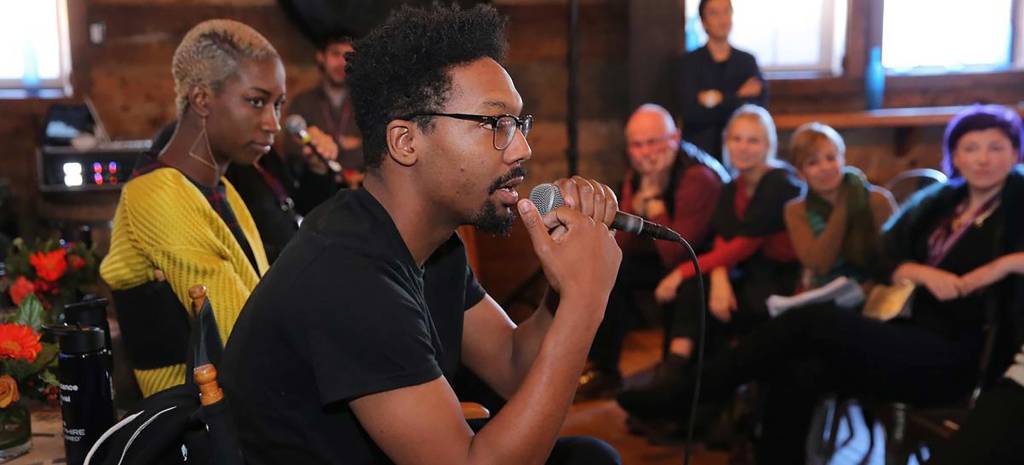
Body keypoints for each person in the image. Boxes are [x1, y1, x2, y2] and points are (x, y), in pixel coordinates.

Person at [221, 4, 623, 465]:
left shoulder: (432, 246)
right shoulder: (347, 275)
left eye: (519, 124)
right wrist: (584, 302)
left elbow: (514, 366)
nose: (523, 148)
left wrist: (566, 284)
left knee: (588, 458)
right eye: (496, 124)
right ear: (406, 142)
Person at [618, 104, 1024, 463]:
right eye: (971, 148)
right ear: (954, 154)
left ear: (1015, 153)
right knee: (798, 367)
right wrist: (922, 272)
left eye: (995, 148)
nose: (983, 159)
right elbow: (884, 260)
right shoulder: (940, 205)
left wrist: (999, 266)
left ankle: (690, 393)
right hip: (905, 330)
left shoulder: (1017, 208)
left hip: (959, 353)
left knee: (811, 322)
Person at [100, 19, 285, 397]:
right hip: (189, 431)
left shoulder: (225, 191)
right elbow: (244, 334)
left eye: (278, 105)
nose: (273, 123)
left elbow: (266, 308)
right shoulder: (156, 194)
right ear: (201, 99)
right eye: (256, 101)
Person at [577, 103, 727, 399]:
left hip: (701, 262)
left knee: (681, 285)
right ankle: (605, 369)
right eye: (636, 145)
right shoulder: (639, 173)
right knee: (608, 271)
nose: (645, 152)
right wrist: (637, 201)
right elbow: (623, 243)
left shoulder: (698, 177)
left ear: (675, 138)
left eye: (653, 142)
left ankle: (672, 377)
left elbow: (678, 252)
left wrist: (655, 200)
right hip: (661, 257)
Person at [784, 122, 896, 289]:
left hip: (877, 290)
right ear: (801, 173)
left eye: (831, 158)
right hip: (824, 294)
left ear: (842, 159)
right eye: (813, 163)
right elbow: (819, 264)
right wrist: (844, 204)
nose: (825, 168)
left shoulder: (877, 200)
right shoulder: (795, 210)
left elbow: (895, 255)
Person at [284, 34, 363, 214]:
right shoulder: (302, 102)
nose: (342, 63)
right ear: (321, 57)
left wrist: (324, 149)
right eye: (335, 54)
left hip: (359, 198)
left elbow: (377, 148)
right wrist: (347, 146)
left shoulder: (365, 102)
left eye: (348, 57)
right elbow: (292, 150)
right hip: (315, 199)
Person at [679, 0, 766, 161]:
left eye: (726, 11)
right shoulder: (689, 63)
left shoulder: (747, 61)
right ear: (703, 21)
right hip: (700, 152)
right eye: (714, 13)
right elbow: (692, 114)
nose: (722, 19)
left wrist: (717, 99)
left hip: (742, 151)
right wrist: (738, 96)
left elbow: (756, 111)